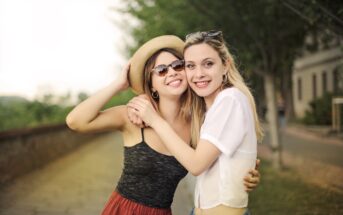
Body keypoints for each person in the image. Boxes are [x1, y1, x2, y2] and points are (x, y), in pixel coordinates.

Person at [66, 35, 260, 215]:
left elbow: (218, 155)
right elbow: (76, 121)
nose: (172, 73)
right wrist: (118, 84)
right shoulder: (132, 116)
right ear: (151, 84)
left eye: (178, 66)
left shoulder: (198, 122)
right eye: (161, 70)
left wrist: (246, 171)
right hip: (124, 210)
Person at [128, 31, 263, 215]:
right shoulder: (209, 110)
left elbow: (196, 165)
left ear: (225, 65)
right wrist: (137, 104)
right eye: (190, 66)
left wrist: (154, 120)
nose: (199, 74)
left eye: (208, 64)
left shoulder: (229, 100)